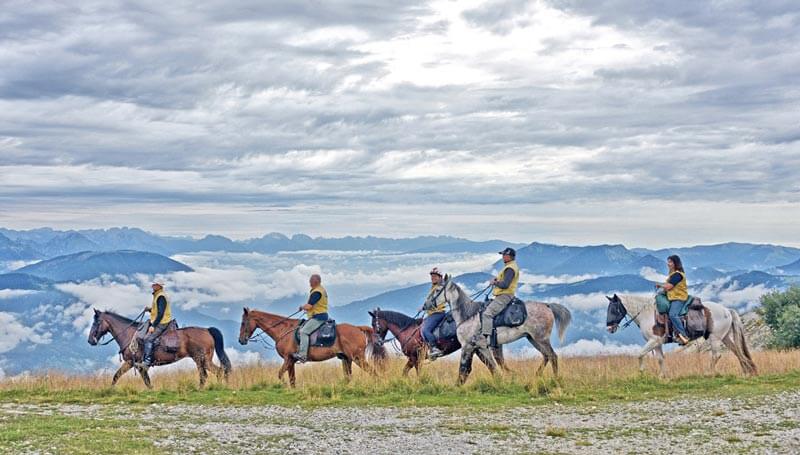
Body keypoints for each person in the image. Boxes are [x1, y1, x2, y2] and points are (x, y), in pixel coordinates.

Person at [474, 247, 519, 348]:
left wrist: (495, 282)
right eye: (503, 255)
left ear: (509, 256)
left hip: (504, 296)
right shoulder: (510, 266)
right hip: (504, 295)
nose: (502, 257)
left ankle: (485, 339)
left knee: (487, 314)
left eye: (504, 255)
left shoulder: (510, 268)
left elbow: (505, 285)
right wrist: (497, 280)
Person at [292, 274, 329, 363]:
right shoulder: (321, 289)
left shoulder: (317, 292)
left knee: (303, 332)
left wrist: (302, 307)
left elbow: (309, 306)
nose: (309, 283)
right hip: (321, 315)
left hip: (318, 317)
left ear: (315, 281)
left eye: (310, 282)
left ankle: (302, 355)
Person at [655, 255, 690, 345]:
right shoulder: (672, 274)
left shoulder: (677, 275)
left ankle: (683, 335)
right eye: (668, 261)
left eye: (670, 262)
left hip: (679, 298)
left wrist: (660, 285)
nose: (668, 264)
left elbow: (669, 286)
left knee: (672, 314)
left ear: (675, 263)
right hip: (672, 297)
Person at [138, 282, 173, 370]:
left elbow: (160, 313)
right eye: (153, 284)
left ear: (159, 286)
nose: (153, 286)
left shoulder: (161, 296)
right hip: (160, 320)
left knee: (148, 339)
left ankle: (147, 362)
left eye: (155, 284)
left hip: (162, 322)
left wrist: (153, 326)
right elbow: (158, 309)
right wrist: (150, 309)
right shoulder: (158, 295)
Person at [421, 267, 447, 359]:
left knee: (425, 330)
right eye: (432, 276)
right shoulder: (434, 287)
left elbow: (435, 302)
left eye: (435, 276)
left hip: (438, 313)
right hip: (432, 313)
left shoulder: (440, 288)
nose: (433, 278)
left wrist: (423, 307)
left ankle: (434, 348)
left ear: (440, 277)